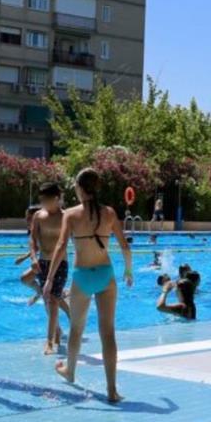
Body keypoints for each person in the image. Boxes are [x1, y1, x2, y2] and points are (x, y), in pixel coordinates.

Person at [43, 168, 133, 403]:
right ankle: (112, 389)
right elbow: (125, 246)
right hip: (105, 274)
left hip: (82, 276)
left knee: (76, 329)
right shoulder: (109, 213)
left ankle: (70, 372)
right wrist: (128, 271)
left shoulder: (71, 215)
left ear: (79, 188)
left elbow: (61, 246)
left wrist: (50, 279)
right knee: (108, 332)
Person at [31, 183, 71, 354]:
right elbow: (32, 240)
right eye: (41, 200)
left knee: (53, 299)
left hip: (60, 263)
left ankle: (49, 341)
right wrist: (33, 258)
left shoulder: (66, 217)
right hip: (43, 263)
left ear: (56, 198)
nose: (43, 203)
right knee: (48, 300)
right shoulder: (38, 216)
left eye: (45, 200)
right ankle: (57, 331)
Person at [16, 205, 42, 302]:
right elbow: (37, 247)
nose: (26, 220)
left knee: (25, 278)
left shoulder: (41, 230)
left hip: (48, 260)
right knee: (25, 279)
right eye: (26, 217)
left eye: (29, 217)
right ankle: (40, 292)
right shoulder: (34, 230)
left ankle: (40, 293)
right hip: (42, 260)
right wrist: (24, 257)